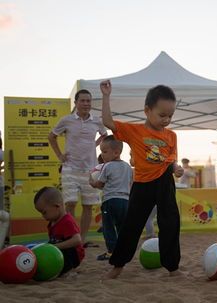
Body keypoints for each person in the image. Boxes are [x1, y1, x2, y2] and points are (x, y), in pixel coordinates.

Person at [99, 80, 184, 279]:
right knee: (132, 225)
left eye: (170, 115)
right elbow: (108, 122)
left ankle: (173, 268)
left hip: (164, 181)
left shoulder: (171, 135)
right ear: (147, 110)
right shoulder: (134, 131)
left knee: (170, 222)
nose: (166, 120)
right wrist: (106, 96)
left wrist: (176, 168)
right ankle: (117, 266)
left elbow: (171, 160)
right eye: (162, 115)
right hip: (142, 184)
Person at [48, 89, 107, 246]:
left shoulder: (97, 121)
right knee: (70, 203)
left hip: (90, 171)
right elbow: (51, 136)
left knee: (88, 206)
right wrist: (60, 156)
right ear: (76, 103)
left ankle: (82, 239)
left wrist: (94, 145)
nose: (86, 104)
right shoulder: (66, 120)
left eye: (88, 101)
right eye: (83, 100)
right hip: (70, 168)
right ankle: (70, 237)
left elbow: (105, 134)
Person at [89, 135, 133, 261]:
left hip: (110, 201)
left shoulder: (107, 166)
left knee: (108, 228)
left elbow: (100, 184)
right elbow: (130, 184)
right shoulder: (128, 167)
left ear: (116, 152)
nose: (102, 155)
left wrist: (91, 182)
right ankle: (124, 250)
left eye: (104, 151)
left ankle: (111, 252)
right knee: (121, 227)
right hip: (125, 201)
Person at [34, 187, 85, 276]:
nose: (43, 216)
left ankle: (69, 270)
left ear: (57, 206)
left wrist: (55, 247)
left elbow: (77, 240)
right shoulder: (52, 222)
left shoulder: (67, 221)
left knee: (66, 250)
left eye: (44, 212)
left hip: (73, 255)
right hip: (60, 251)